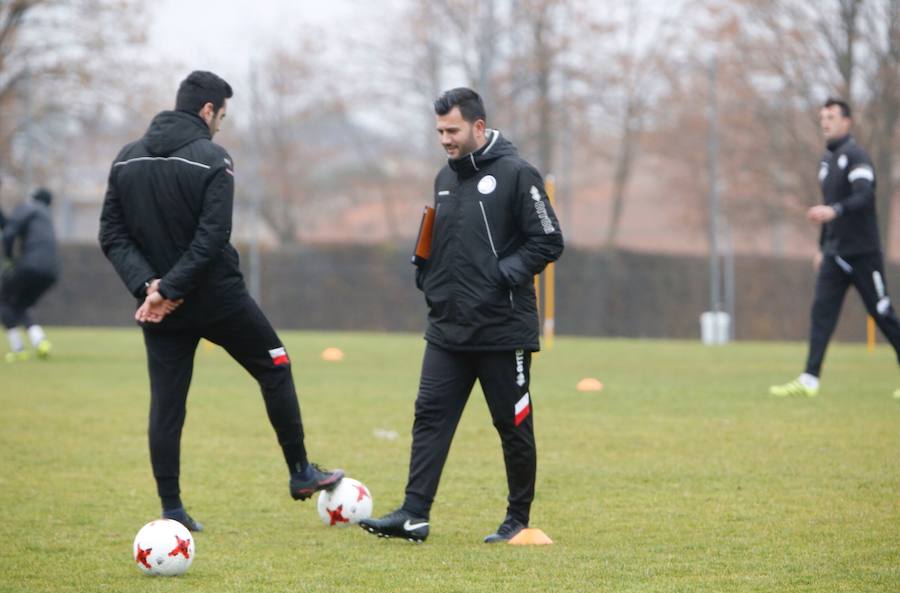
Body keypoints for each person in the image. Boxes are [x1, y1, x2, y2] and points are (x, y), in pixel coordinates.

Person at [99, 71, 343, 531]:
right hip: (218, 299)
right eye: (222, 116)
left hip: (159, 308)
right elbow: (212, 238)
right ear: (208, 110)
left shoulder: (125, 158)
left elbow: (111, 235)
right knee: (275, 366)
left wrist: (151, 288)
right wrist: (168, 289)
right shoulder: (213, 158)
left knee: (167, 406)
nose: (220, 126)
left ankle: (171, 509)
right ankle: (300, 472)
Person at [359, 88, 564, 543]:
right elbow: (444, 239)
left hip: (500, 329)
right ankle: (413, 514)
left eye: (452, 130)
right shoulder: (445, 178)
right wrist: (427, 273)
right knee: (428, 417)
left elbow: (549, 240)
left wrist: (501, 275)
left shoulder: (516, 174)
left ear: (477, 126)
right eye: (439, 132)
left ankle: (517, 520)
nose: (445, 140)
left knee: (512, 426)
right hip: (448, 328)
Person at [770, 98, 900, 398]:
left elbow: (864, 197)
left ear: (847, 121)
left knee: (883, 313)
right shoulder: (825, 162)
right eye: (822, 117)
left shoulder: (857, 157)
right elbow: (827, 211)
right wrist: (821, 247)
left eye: (830, 116)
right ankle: (810, 379)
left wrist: (836, 210)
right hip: (835, 254)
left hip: (864, 254)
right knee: (821, 313)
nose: (825, 122)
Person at [1, 187, 59, 362]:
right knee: (20, 305)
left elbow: (9, 232)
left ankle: (18, 349)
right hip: (52, 271)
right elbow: (11, 225)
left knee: (3, 301)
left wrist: (9, 258)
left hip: (30, 265)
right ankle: (40, 341)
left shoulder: (28, 207)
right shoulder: (45, 216)